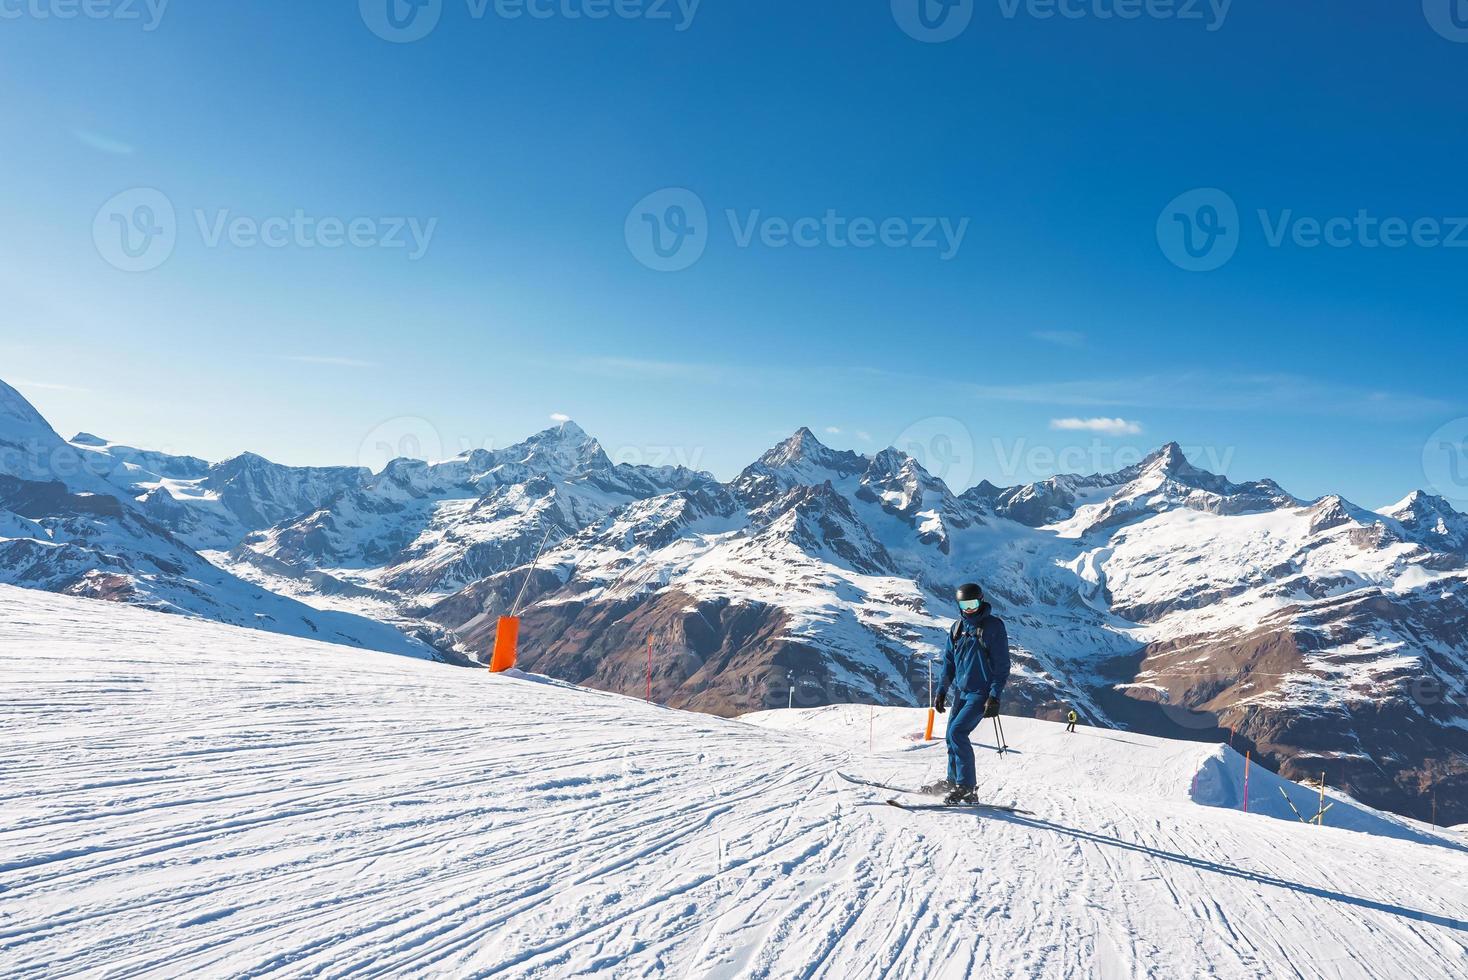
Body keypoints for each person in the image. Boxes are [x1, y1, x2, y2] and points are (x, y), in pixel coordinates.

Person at [926, 583, 1011, 805]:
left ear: (981, 601)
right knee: (950, 736)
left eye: (973, 604)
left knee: (958, 733)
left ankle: (967, 787)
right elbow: (948, 663)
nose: (970, 609)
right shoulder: (956, 629)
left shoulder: (993, 627)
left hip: (980, 694)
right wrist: (942, 691)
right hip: (961, 693)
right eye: (965, 605)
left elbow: (1002, 665)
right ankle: (953, 780)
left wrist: (994, 695)